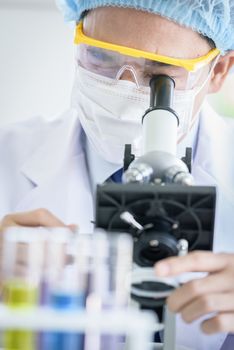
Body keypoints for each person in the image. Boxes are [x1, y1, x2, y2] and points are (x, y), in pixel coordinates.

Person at [0, 0, 234, 349]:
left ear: (218, 71)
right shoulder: (7, 155)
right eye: (102, 58)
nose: (124, 90)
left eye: (161, 72)